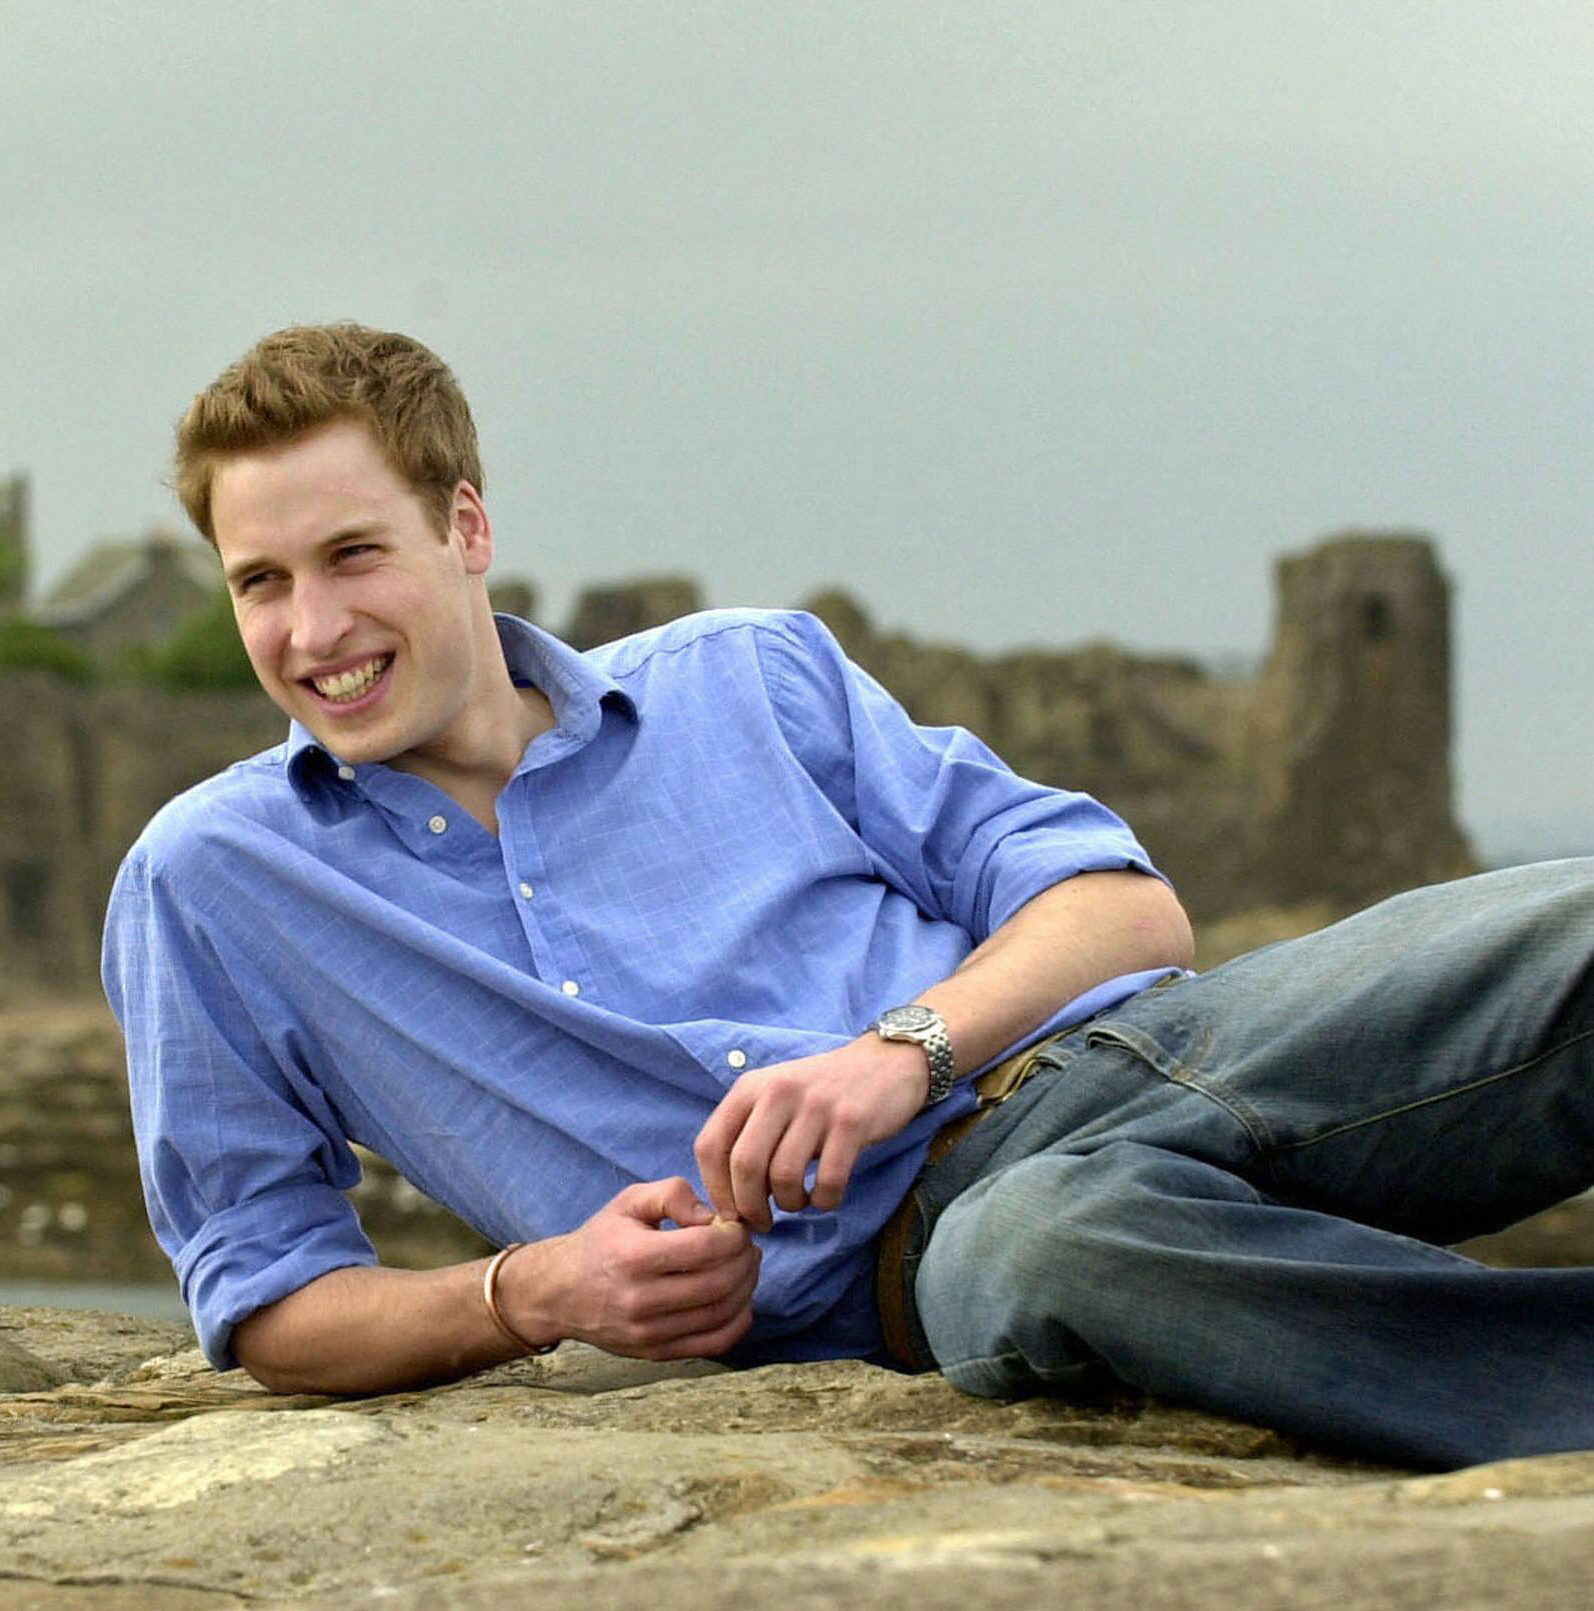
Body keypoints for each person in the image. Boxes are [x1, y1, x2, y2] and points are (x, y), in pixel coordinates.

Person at [102, 322, 1593, 1471]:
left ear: (466, 529)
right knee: (1065, 1249)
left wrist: (899, 1054)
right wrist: (530, 1294)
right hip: (937, 1262)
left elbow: (1124, 911)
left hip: (1161, 1047)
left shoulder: (748, 673)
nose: (311, 628)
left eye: (352, 554)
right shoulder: (213, 882)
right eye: (259, 582)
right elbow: (262, 1302)